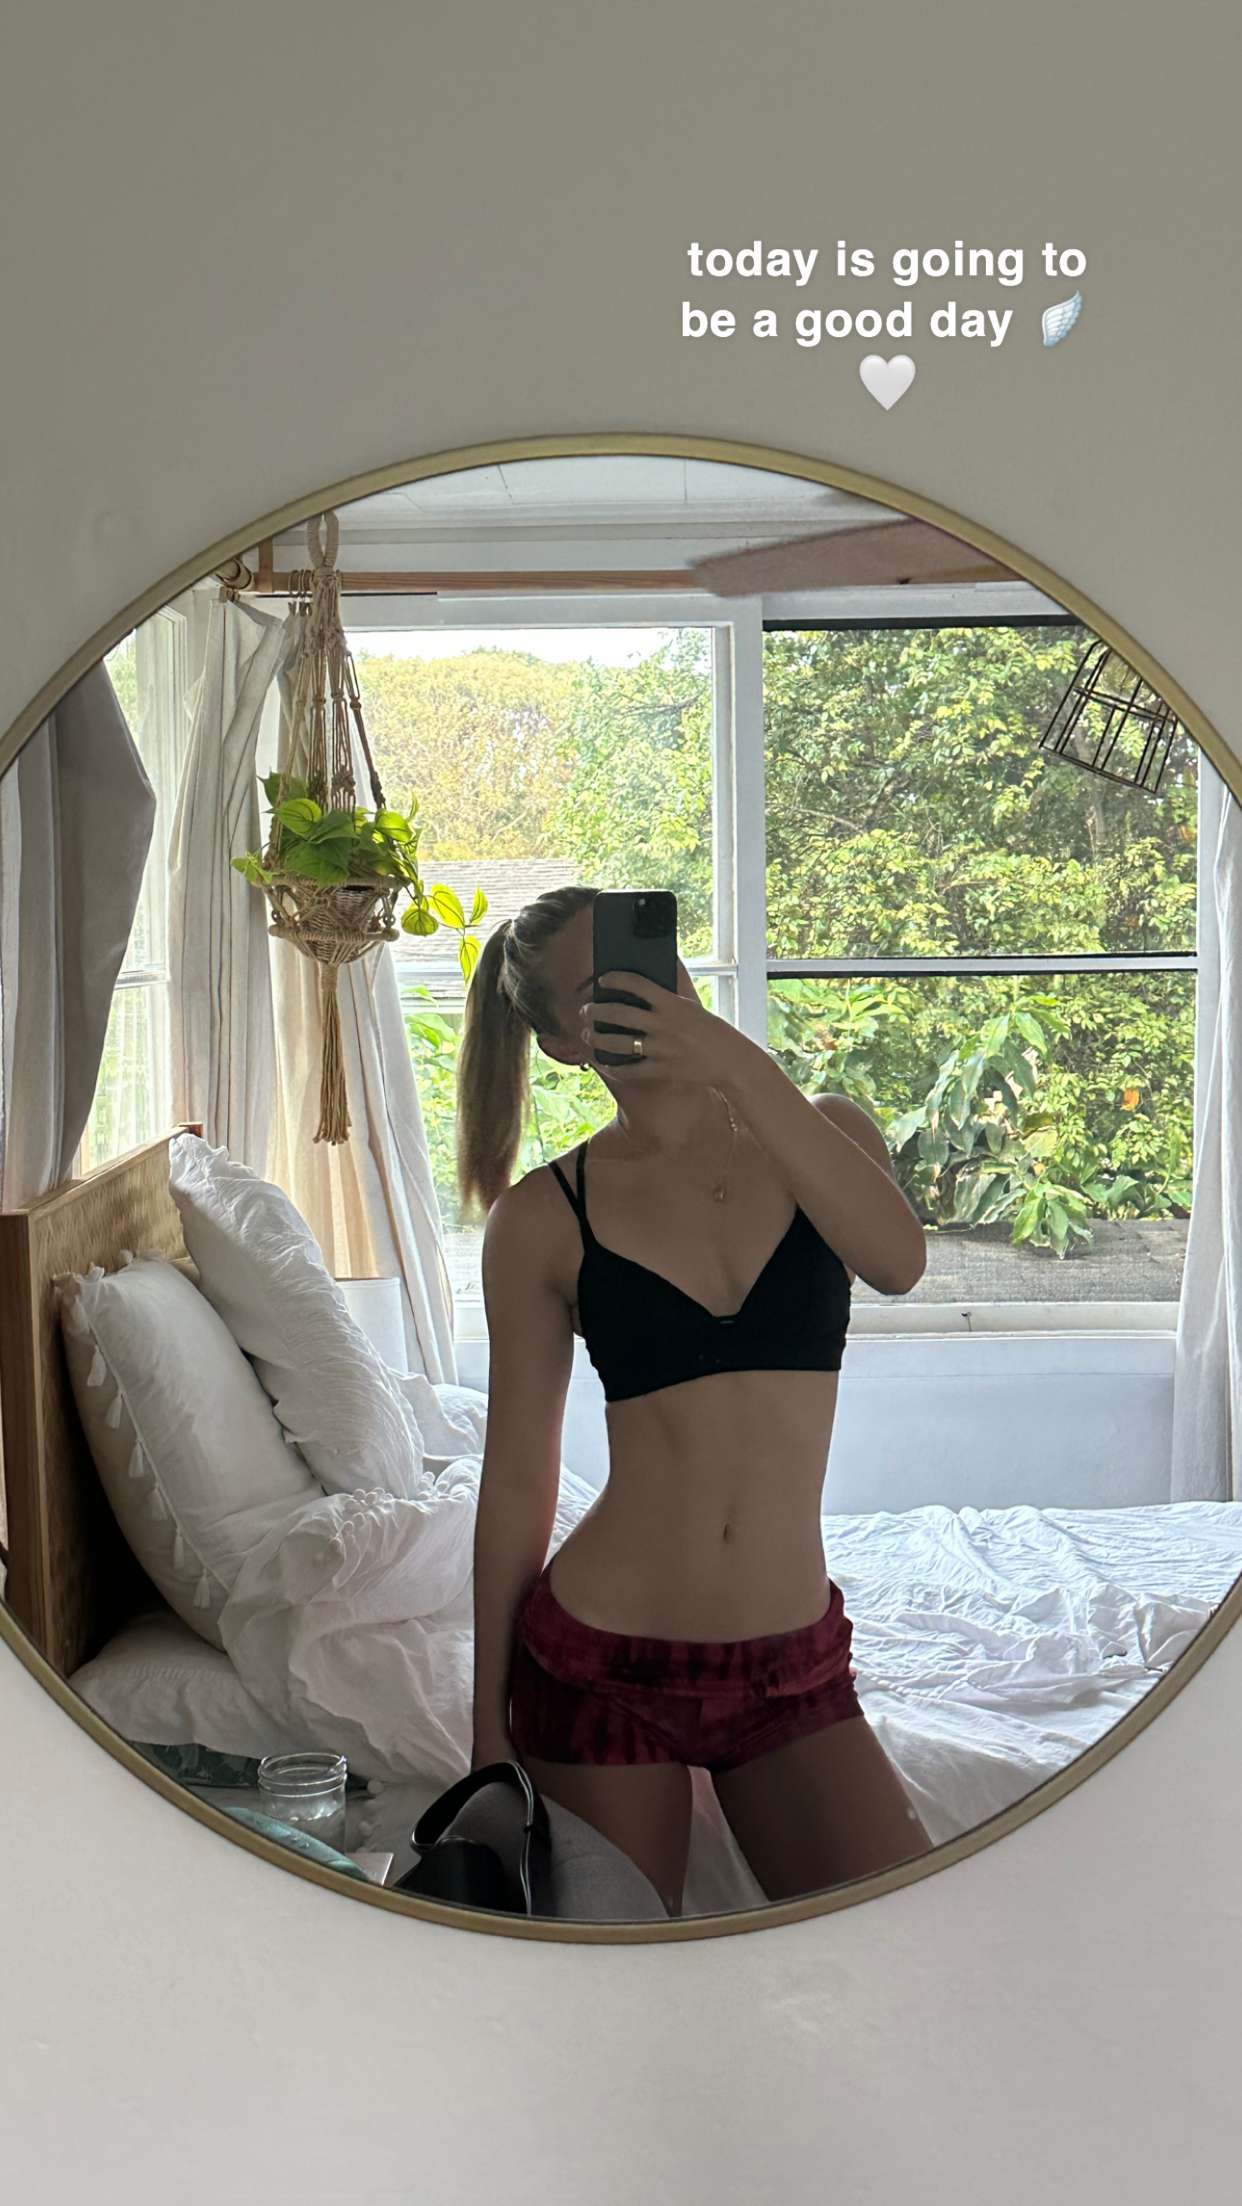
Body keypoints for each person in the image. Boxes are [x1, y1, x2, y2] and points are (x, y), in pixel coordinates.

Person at [457, 884, 933, 1916]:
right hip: (599, 1663)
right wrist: (488, 1727)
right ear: (561, 1044)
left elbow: (898, 1262)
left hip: (791, 1664)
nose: (647, 997)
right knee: (621, 1984)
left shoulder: (824, 1133)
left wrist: (732, 1061)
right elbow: (519, 1478)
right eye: (602, 992)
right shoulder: (545, 1218)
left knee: (902, 1942)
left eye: (653, 967)